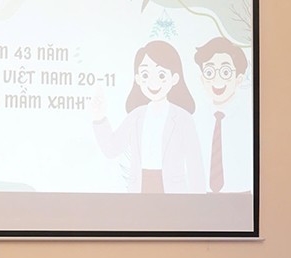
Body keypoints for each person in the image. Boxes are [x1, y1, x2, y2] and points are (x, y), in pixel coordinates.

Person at [92, 40, 205, 193]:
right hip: (140, 187)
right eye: (145, 74)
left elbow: (194, 164)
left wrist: (199, 200)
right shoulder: (135, 116)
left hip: (173, 191)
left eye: (161, 75)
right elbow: (112, 149)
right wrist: (99, 118)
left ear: (174, 79)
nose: (153, 82)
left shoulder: (183, 118)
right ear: (138, 79)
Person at [193, 36, 253, 193]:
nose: (217, 79)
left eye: (225, 72)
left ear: (239, 79)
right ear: (202, 79)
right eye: (209, 72)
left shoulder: (248, 119)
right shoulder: (196, 118)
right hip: (200, 197)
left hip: (241, 197)